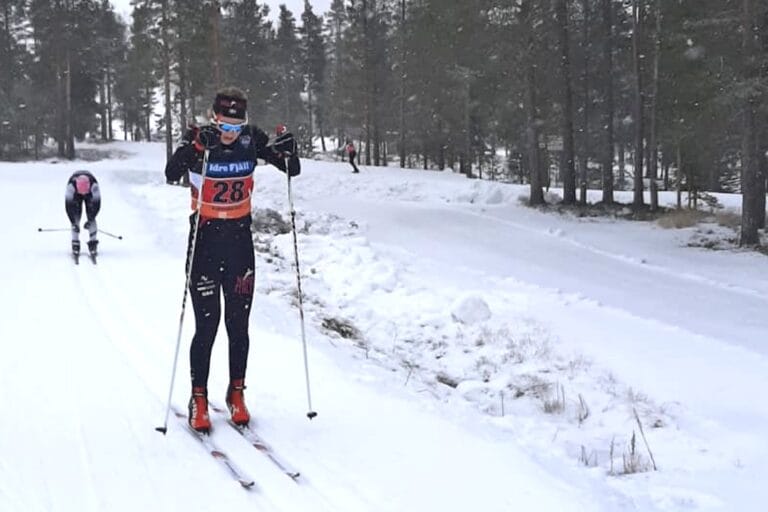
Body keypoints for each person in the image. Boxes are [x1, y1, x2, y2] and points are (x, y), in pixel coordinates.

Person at [165, 87, 300, 432]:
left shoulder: (251, 139)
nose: (230, 133)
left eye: (236, 127)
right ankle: (198, 398)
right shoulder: (198, 137)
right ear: (214, 117)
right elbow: (171, 172)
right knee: (206, 326)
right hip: (205, 243)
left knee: (238, 326)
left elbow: (291, 168)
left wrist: (289, 150)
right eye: (225, 125)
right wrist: (197, 147)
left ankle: (236, 392)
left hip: (239, 244)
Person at [65, 170, 100, 256]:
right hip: (75, 195)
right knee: (75, 215)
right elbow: (68, 207)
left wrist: (90, 220)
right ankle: (75, 242)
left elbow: (97, 205)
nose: (83, 194)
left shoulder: (94, 187)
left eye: (85, 192)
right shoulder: (71, 187)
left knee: (91, 215)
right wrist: (73, 222)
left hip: (90, 194)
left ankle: (93, 242)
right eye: (82, 192)